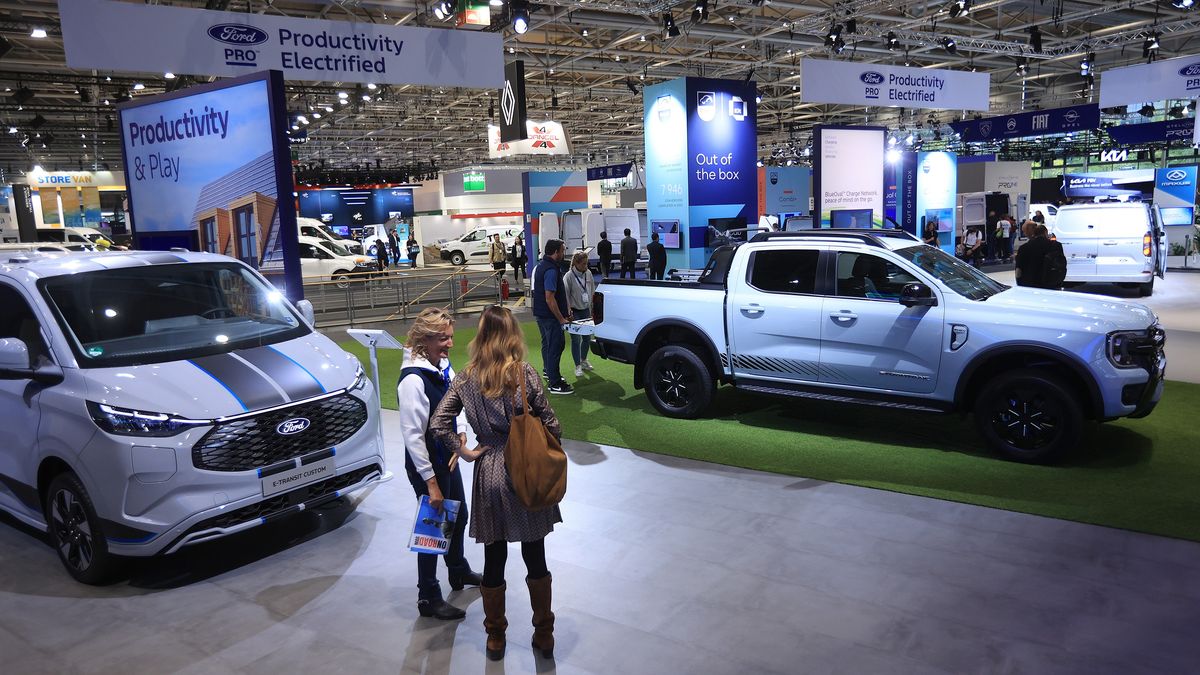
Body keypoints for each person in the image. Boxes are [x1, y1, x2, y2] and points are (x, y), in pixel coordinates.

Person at [429, 305, 563, 662]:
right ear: (512, 335)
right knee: (535, 554)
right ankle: (544, 633)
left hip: (487, 471)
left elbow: (438, 424)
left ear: (482, 336)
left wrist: (467, 452)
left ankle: (495, 638)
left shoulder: (466, 378)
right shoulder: (524, 374)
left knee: (494, 556)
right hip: (526, 472)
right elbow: (553, 425)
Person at [398, 308, 482, 621]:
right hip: (426, 463)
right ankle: (427, 596)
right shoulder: (413, 381)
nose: (449, 343)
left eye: (449, 336)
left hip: (447, 455)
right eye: (442, 338)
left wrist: (460, 436)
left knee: (457, 516)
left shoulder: (442, 366)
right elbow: (412, 436)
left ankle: (457, 571)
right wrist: (430, 482)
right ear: (424, 339)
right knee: (433, 529)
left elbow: (454, 403)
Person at [532, 239, 573, 395]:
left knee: (548, 345)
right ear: (556, 252)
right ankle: (554, 383)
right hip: (549, 317)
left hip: (541, 315)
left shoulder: (542, 266)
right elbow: (550, 297)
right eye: (562, 250)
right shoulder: (551, 270)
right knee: (555, 346)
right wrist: (561, 318)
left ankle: (550, 374)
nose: (563, 253)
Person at [562, 251, 596, 378]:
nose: (586, 266)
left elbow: (592, 291)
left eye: (587, 263)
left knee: (587, 337)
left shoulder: (588, 273)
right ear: (576, 263)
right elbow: (565, 296)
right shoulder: (568, 276)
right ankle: (577, 366)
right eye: (583, 264)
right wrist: (568, 312)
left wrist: (593, 309)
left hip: (586, 310)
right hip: (574, 312)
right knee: (576, 340)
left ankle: (583, 359)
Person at [1015, 220, 1051, 288]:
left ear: (1030, 231)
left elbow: (1018, 271)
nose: (1025, 234)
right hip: (1051, 282)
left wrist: (1019, 285)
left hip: (1031, 285)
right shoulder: (1055, 245)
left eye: (1024, 231)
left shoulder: (1024, 248)